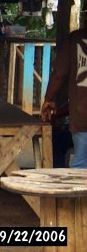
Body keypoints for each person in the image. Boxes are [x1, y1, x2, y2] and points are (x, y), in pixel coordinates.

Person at [41, 28, 87, 168]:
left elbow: (58, 74)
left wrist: (48, 99)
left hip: (82, 118)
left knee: (80, 166)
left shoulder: (76, 38)